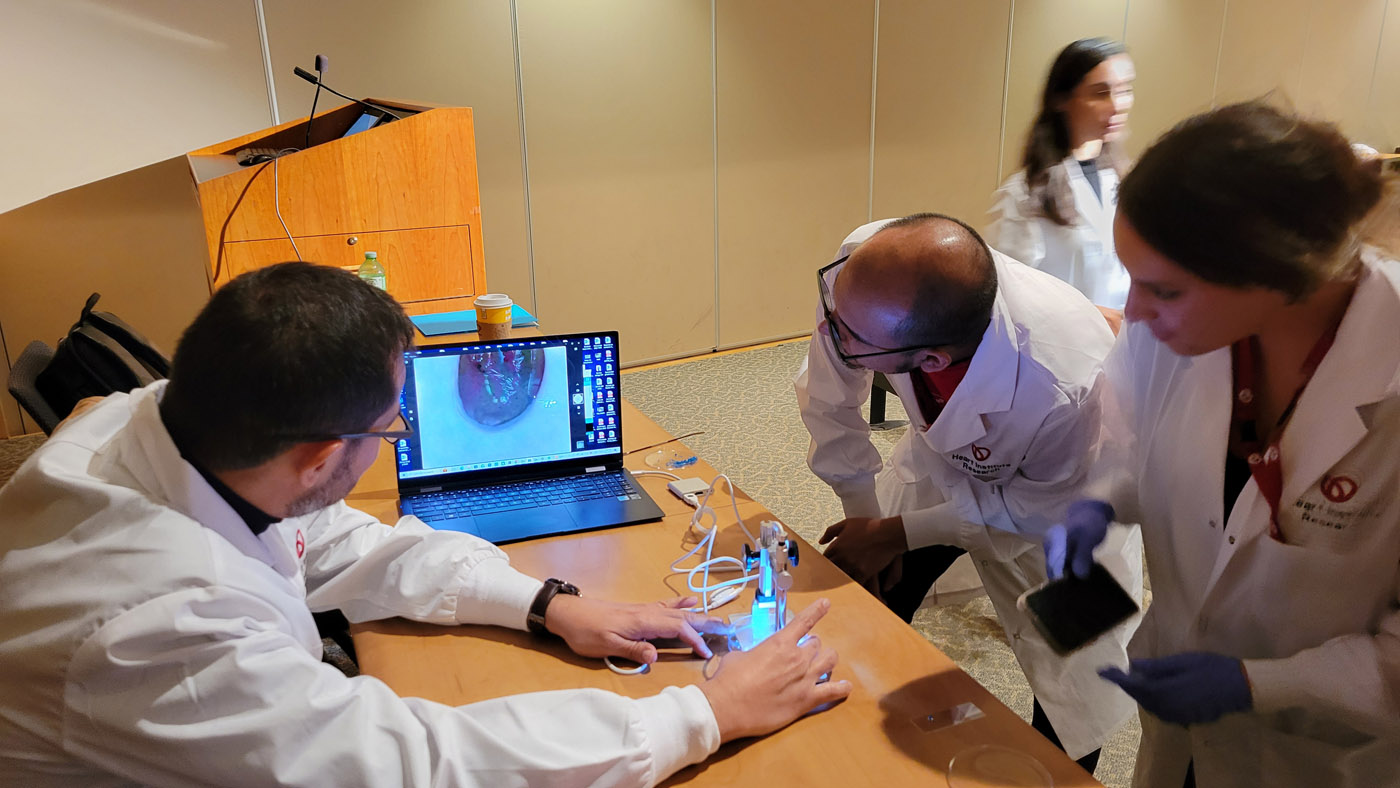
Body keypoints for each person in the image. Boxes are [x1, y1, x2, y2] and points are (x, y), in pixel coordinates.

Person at [0, 262, 850, 787]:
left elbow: (325, 539)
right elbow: (410, 766)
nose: (398, 436)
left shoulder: (163, 416)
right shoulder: (161, 625)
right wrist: (705, 713)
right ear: (317, 457)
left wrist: (548, 604)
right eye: (390, 429)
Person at [1046, 102, 1400, 787]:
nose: (1133, 312)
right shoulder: (1173, 334)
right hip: (1177, 722)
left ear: (1280, 270)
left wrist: (1264, 683)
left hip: (1327, 755)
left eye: (1164, 289)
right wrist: (1099, 501)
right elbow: (1129, 439)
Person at [795, 213, 1142, 770]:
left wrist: (895, 532)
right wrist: (866, 517)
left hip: (1066, 512)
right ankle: (854, 742)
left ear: (931, 360)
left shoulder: (1071, 385)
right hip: (939, 461)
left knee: (1074, 680)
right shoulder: (868, 271)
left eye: (849, 336)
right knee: (873, 592)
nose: (828, 332)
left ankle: (1060, 777)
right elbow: (830, 399)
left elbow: (1042, 511)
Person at [986, 37, 1136, 320]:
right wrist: (1093, 316)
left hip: (1126, 339)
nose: (1118, 105)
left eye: (1125, 90)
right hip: (1063, 341)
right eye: (1100, 93)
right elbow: (1005, 299)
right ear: (1061, 99)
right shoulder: (1025, 194)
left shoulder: (1128, 183)